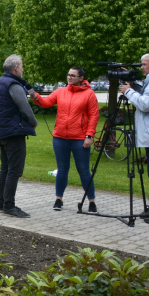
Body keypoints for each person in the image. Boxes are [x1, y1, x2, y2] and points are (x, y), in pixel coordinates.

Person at [31, 67, 99, 213]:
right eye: (68, 74)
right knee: (62, 170)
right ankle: (58, 199)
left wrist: (89, 136)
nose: (69, 77)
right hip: (60, 137)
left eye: (73, 75)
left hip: (80, 139)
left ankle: (91, 201)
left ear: (81, 78)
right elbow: (46, 102)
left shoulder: (89, 94)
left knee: (84, 171)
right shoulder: (61, 91)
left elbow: (94, 116)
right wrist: (36, 97)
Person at [120, 52, 149, 225]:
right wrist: (133, 86)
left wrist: (129, 91)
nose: (141, 68)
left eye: (144, 64)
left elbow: (146, 104)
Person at [0, 55, 38, 218]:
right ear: (15, 68)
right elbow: (24, 107)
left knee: (5, 168)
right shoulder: (13, 84)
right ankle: (9, 205)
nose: (23, 69)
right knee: (14, 170)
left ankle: (1, 203)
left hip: (2, 132)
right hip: (13, 133)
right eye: (22, 66)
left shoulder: (0, 81)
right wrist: (33, 123)